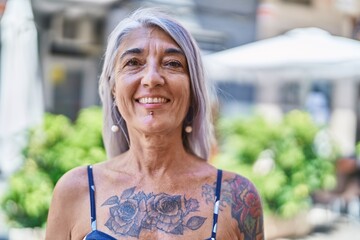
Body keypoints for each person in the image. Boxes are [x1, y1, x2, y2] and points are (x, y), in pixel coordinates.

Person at [45, 8, 264, 240]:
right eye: (133, 62)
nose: (151, 79)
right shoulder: (75, 191)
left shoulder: (237, 197)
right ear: (114, 87)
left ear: (192, 88)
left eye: (172, 64)